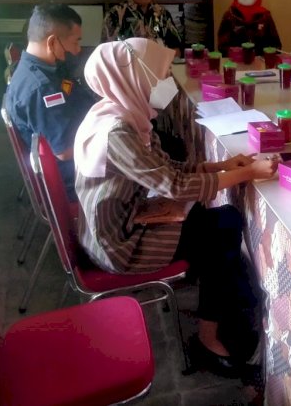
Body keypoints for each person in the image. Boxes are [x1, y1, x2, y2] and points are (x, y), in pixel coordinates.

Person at [73, 37, 277, 377]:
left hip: (126, 217)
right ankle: (208, 341)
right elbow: (174, 185)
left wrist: (222, 167)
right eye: (162, 72)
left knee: (220, 225)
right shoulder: (117, 130)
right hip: (119, 241)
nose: (167, 81)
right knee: (224, 227)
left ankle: (224, 298)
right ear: (135, 76)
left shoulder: (121, 112)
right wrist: (247, 172)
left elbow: (167, 169)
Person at [5, 4, 95, 201]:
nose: (77, 49)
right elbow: (64, 151)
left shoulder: (40, 67)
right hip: (73, 179)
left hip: (74, 155)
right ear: (52, 42)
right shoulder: (41, 89)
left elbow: (71, 91)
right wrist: (111, 139)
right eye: (75, 42)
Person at [101, 0, 183, 50]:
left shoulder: (162, 13)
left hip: (160, 61)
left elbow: (176, 48)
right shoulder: (116, 14)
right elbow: (107, 51)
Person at [217, 0, 281, 56]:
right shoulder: (230, 15)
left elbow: (276, 45)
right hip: (236, 64)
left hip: (262, 64)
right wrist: (238, 55)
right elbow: (222, 46)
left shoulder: (265, 15)